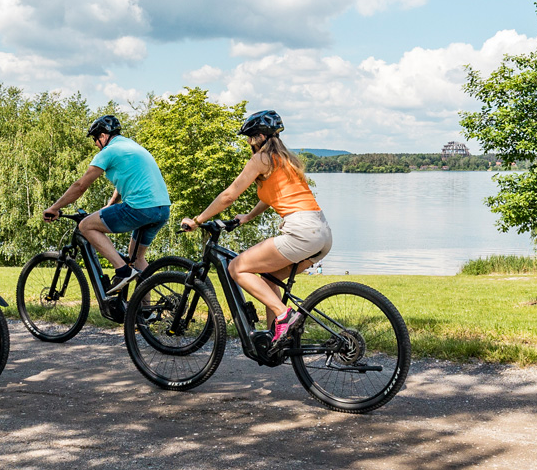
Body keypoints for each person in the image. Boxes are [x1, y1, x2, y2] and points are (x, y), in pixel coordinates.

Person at [180, 109, 330, 350]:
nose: (249, 143)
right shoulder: (286, 160)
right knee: (269, 278)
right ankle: (276, 342)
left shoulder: (261, 159)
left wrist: (197, 221)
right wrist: (248, 216)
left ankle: (284, 315)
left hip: (301, 232)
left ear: (260, 136)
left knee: (236, 267)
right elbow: (273, 196)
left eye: (250, 137)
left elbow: (229, 195)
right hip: (321, 233)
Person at [43, 114, 170, 302]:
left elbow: (80, 186)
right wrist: (111, 206)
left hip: (139, 208)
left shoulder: (109, 151)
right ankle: (146, 311)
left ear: (103, 136)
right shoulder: (132, 147)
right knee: (137, 258)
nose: (95, 144)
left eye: (95, 139)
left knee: (85, 226)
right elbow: (125, 183)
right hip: (161, 209)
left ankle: (122, 271)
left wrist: (54, 207)